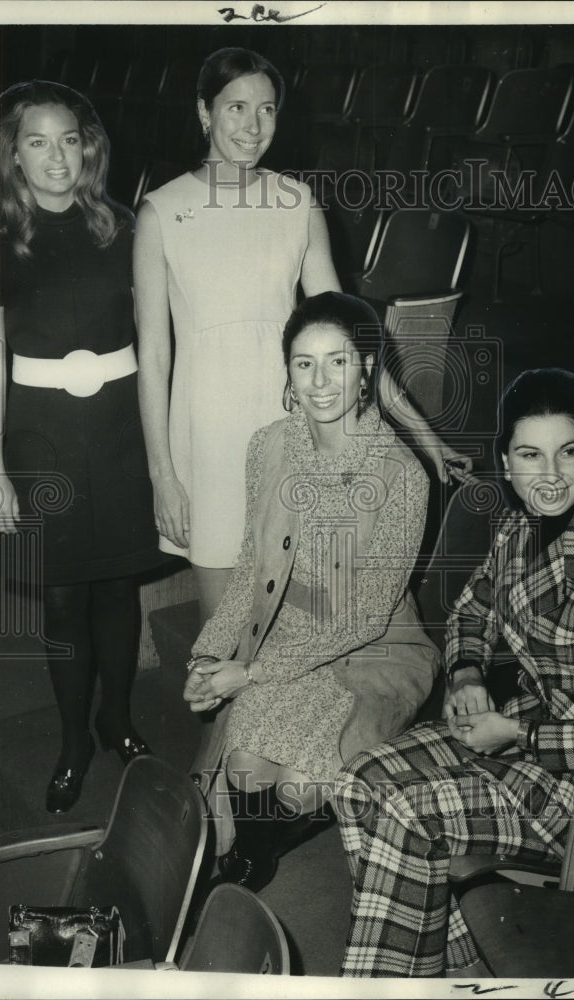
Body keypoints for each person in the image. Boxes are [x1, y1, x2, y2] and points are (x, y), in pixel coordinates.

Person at [335, 367, 574, 977]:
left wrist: (518, 734)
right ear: (506, 463)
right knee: (359, 781)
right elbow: (472, 612)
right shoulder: (517, 530)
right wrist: (466, 672)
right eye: (530, 455)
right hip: (523, 742)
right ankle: (455, 971)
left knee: (407, 810)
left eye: (568, 452)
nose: (550, 474)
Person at [134, 46, 470, 626]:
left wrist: (427, 437)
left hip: (290, 423)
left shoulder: (297, 203)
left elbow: (347, 342)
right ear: (204, 112)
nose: (253, 126)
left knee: (302, 617)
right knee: (223, 633)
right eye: (236, 107)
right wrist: (162, 474)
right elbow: (154, 359)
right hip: (206, 436)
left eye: (267, 110)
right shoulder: (161, 212)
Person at [182, 291, 440, 891]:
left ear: (366, 368)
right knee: (245, 766)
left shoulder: (403, 475)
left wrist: (250, 674)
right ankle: (253, 859)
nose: (320, 382)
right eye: (304, 363)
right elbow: (250, 569)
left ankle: (263, 847)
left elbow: (364, 618)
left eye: (337, 361)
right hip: (284, 632)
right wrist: (209, 653)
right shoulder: (269, 446)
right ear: (288, 372)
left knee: (299, 787)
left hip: (372, 649)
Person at [0, 81, 164, 814]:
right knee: (61, 596)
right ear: (13, 156)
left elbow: (158, 336)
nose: (57, 157)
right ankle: (73, 740)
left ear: (89, 149)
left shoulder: (124, 228)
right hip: (40, 438)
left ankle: (118, 719)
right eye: (38, 142)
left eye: (70, 139)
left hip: (119, 430)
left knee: (117, 586)